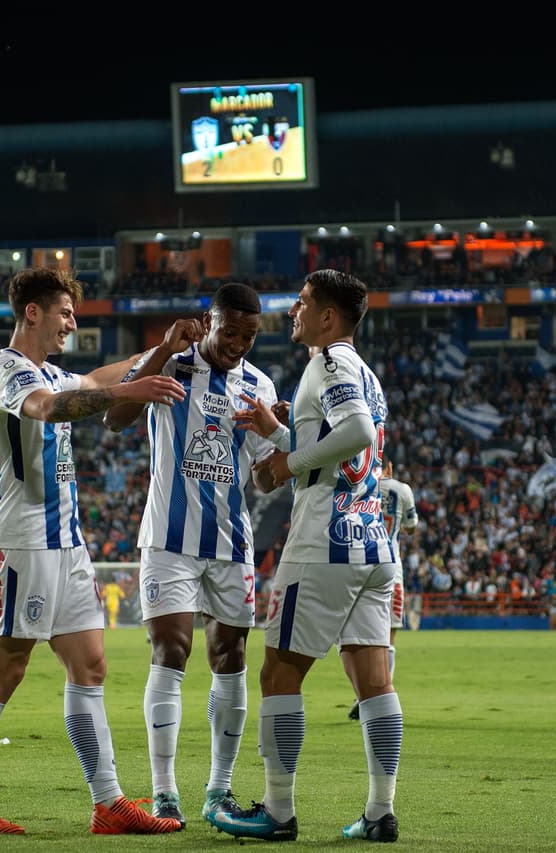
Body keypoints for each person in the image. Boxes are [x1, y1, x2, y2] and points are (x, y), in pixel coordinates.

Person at [0, 267, 187, 837]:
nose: (73, 323)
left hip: (67, 543)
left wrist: (162, 349)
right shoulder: (6, 373)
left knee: (91, 665)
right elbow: (48, 409)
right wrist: (130, 392)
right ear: (32, 312)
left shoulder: (48, 370)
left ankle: (108, 804)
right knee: (6, 668)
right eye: (65, 313)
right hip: (23, 540)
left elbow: (97, 376)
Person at [215, 269, 403, 843]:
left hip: (325, 540)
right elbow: (343, 446)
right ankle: (379, 812)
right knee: (373, 678)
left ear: (327, 317)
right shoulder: (365, 372)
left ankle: (276, 811)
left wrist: (284, 464)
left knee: (278, 672)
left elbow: (358, 435)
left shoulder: (331, 362)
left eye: (301, 304)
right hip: (372, 540)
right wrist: (279, 434)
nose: (292, 311)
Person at [102, 282, 280, 827]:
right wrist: (159, 351)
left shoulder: (258, 384)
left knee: (231, 659)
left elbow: (267, 477)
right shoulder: (173, 365)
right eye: (231, 332)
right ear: (211, 320)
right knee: (172, 650)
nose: (239, 345)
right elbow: (115, 418)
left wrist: (280, 437)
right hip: (168, 540)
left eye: (249, 336)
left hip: (231, 544)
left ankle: (218, 791)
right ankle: (163, 793)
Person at [349, 457, 418, 720]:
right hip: (390, 567)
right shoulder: (402, 490)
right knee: (387, 637)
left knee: (357, 636)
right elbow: (411, 528)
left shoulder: (359, 485)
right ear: (389, 466)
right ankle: (380, 698)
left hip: (357, 562)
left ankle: (361, 695)